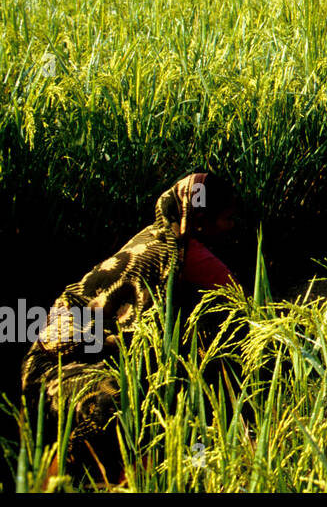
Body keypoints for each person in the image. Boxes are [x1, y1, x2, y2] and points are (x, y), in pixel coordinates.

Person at [20, 172, 240, 483]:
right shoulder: (182, 255)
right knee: (117, 405)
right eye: (228, 218)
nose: (233, 227)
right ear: (201, 219)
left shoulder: (152, 236)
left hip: (65, 357)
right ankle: (68, 482)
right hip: (58, 366)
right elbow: (245, 306)